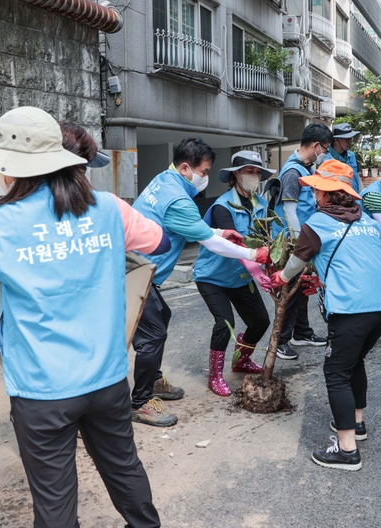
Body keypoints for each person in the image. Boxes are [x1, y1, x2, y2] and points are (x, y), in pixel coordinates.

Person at [0, 109, 168, 528]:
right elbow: (157, 241)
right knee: (121, 461)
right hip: (107, 373)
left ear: (12, 169)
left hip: (40, 387)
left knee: (54, 497)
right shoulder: (110, 208)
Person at [131, 139, 269, 426]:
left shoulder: (164, 180)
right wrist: (254, 253)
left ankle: (153, 380)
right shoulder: (180, 200)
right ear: (185, 168)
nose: (205, 177)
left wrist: (219, 232)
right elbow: (210, 244)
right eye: (203, 171)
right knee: (152, 334)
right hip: (136, 272)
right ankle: (140, 402)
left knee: (161, 318)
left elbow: (195, 229)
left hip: (137, 267)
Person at [270, 160, 381, 471]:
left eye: (316, 189)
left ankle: (347, 450)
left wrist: (282, 278)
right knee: (353, 362)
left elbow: (297, 261)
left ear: (327, 194)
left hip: (352, 308)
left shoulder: (318, 221)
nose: (313, 193)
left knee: (336, 372)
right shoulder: (366, 219)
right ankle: (357, 424)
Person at [192, 151, 275, 397]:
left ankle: (241, 359)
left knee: (260, 321)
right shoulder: (222, 206)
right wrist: (263, 277)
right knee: (224, 322)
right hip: (212, 277)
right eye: (249, 171)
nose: (254, 176)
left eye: (257, 171)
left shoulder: (260, 204)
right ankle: (215, 376)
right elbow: (236, 248)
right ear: (236, 174)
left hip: (240, 277)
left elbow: (267, 241)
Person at [272, 123, 334, 361]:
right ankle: (282, 340)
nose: (326, 152)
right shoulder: (293, 172)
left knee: (302, 289)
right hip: (294, 242)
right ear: (316, 145)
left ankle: (303, 332)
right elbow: (290, 213)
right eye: (326, 148)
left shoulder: (305, 168)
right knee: (292, 291)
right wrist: (300, 247)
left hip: (304, 238)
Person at [317, 122, 362, 192]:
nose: (350, 142)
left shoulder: (352, 156)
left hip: (354, 199)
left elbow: (358, 180)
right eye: (347, 139)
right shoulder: (324, 159)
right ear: (336, 140)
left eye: (351, 139)